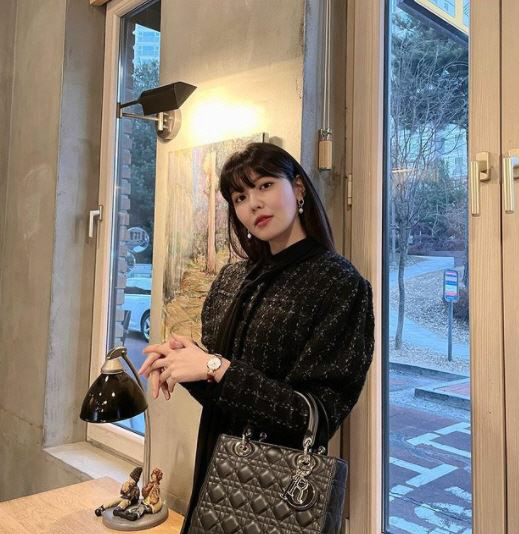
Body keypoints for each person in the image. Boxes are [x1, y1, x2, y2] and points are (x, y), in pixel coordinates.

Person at [138, 142, 375, 533]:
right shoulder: (231, 279)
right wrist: (187, 363)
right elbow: (224, 395)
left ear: (298, 188)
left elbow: (313, 418)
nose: (253, 204)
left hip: (278, 491)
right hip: (216, 472)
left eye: (265, 185)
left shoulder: (340, 284)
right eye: (240, 197)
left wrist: (216, 367)